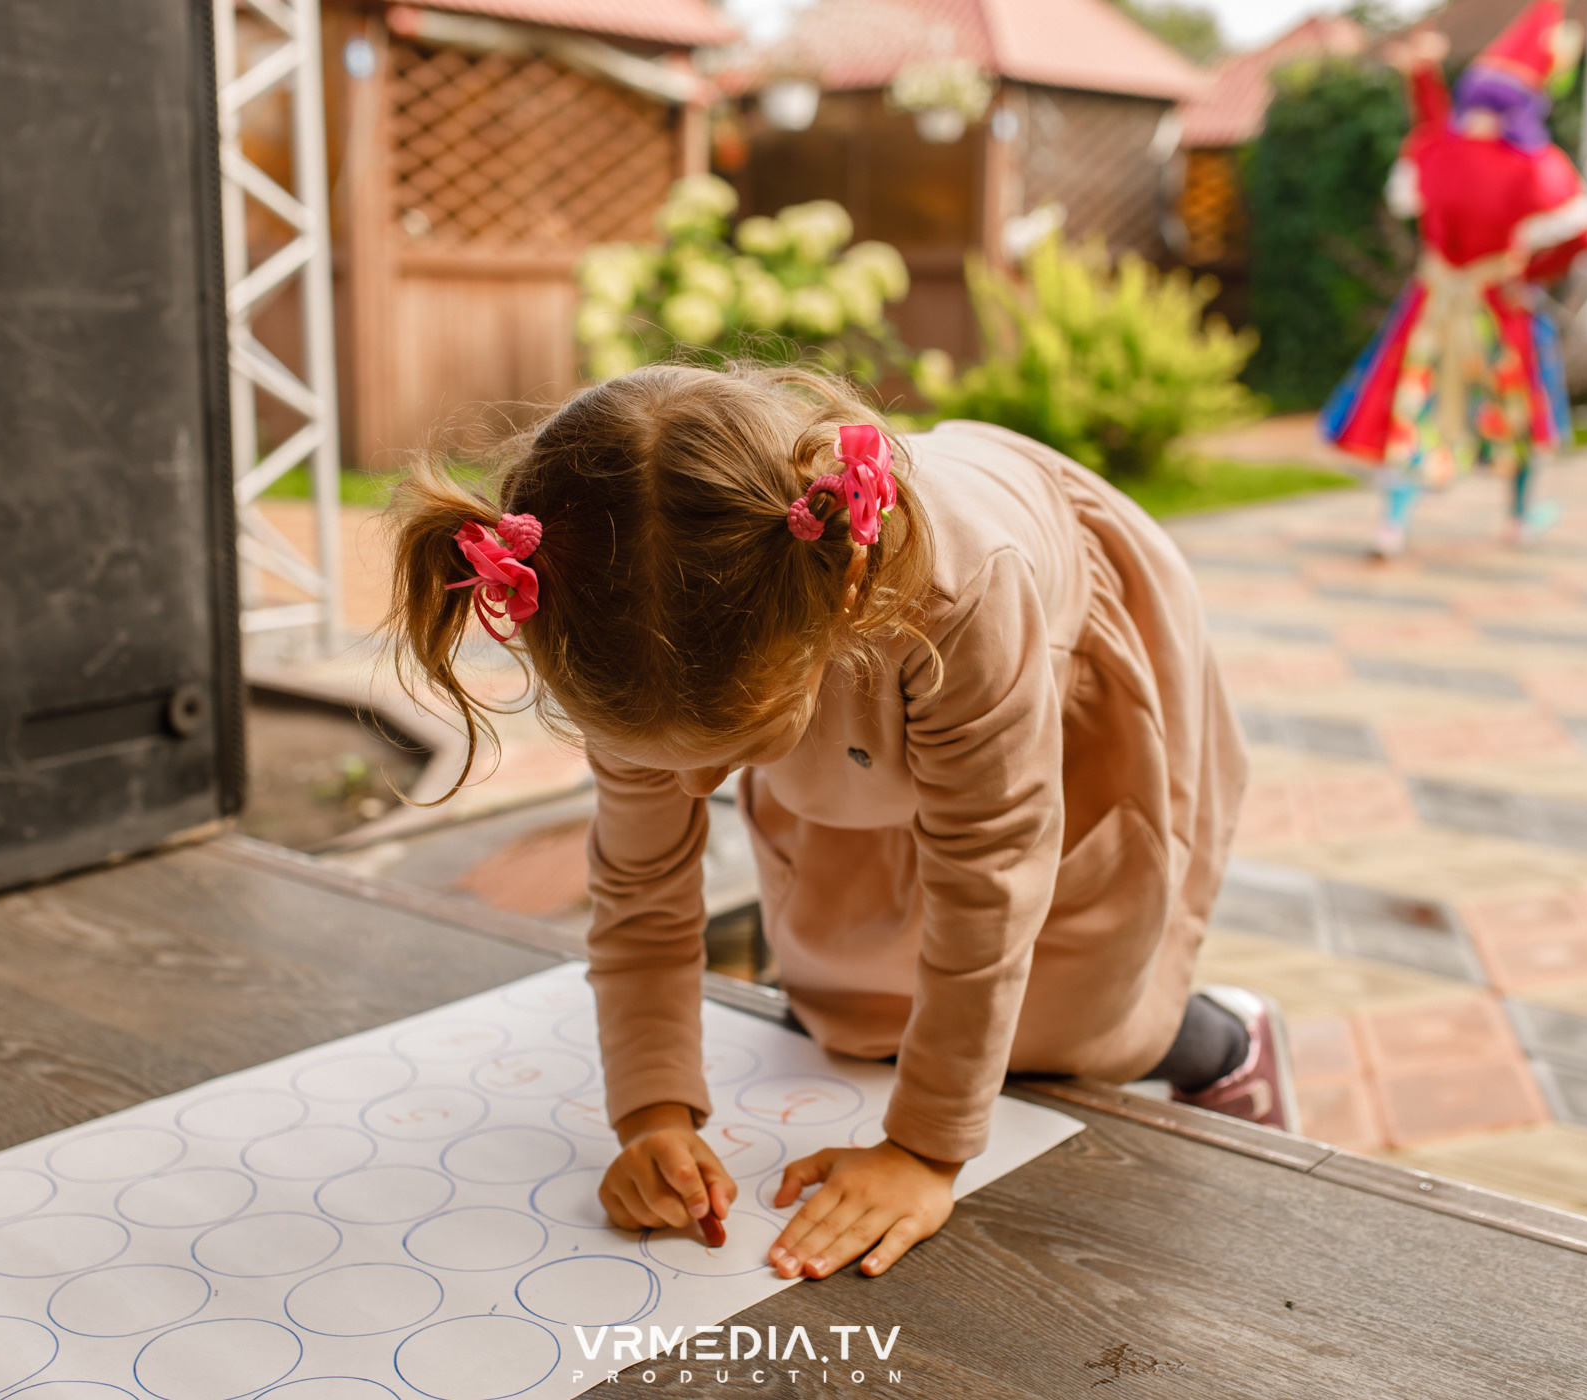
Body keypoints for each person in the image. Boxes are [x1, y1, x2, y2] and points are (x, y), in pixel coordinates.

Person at [380, 363, 1281, 1282]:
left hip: (1032, 651)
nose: (693, 786)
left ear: (838, 607)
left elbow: (990, 874)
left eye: (733, 746)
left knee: (1068, 1012)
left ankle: (1230, 1043)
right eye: (662, 760)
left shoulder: (962, 596)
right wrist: (651, 1110)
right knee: (849, 996)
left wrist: (927, 1153)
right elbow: (641, 884)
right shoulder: (620, 623)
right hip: (840, 692)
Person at [1320, 3, 1587, 558]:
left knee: (1413, 402)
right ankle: (1520, 518)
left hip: (1434, 301)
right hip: (1501, 305)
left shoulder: (1434, 151)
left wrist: (1422, 74)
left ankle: (1392, 525)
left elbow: (1429, 129)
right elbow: (1586, 235)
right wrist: (1531, 274)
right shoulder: (1536, 168)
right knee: (1517, 412)